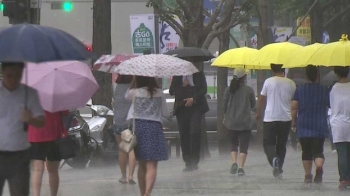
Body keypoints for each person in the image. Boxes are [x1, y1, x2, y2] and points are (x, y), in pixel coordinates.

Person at [0, 62, 45, 196]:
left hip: (19, 156)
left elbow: (41, 122)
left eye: (18, 76)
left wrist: (30, 119)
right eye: (9, 75)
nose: (13, 79)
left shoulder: (29, 94)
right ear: (2, 73)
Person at [125, 76, 169, 196]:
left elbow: (126, 96)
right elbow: (165, 112)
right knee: (152, 164)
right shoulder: (159, 93)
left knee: (142, 164)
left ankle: (142, 193)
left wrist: (133, 82)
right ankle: (148, 193)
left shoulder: (133, 92)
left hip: (138, 128)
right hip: (154, 128)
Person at [256, 64, 296, 179]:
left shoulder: (268, 82)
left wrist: (258, 113)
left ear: (272, 69)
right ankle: (279, 168)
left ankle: (273, 159)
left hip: (270, 118)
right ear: (283, 69)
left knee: (268, 143)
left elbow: (262, 99)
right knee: (281, 145)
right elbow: (294, 102)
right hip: (285, 118)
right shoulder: (291, 83)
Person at [291, 65, 329, 184]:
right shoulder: (324, 89)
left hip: (304, 123)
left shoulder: (300, 89)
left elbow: (294, 107)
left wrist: (293, 122)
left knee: (306, 151)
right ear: (317, 75)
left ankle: (308, 175)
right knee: (318, 150)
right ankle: (319, 165)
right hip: (319, 123)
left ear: (306, 75)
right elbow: (329, 104)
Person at [169, 70, 209, 172]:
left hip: (196, 107)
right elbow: (171, 91)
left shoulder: (198, 74)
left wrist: (193, 98)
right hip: (181, 108)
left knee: (195, 132)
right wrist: (183, 85)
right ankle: (187, 162)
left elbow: (204, 89)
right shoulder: (177, 75)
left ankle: (194, 161)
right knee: (184, 134)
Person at [223, 68, 256, 176]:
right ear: (244, 77)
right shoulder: (249, 90)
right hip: (245, 122)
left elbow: (224, 106)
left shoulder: (228, 90)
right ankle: (241, 167)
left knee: (233, 144)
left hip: (231, 121)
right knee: (244, 146)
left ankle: (234, 162)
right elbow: (253, 105)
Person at [28, 111, 69, 196]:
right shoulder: (57, 97)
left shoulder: (31, 97)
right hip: (54, 134)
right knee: (53, 171)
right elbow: (65, 112)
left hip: (36, 134)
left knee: (37, 170)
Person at [113, 75, 136, 184]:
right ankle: (131, 175)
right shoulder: (133, 89)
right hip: (129, 122)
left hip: (118, 122)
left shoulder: (116, 88)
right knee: (131, 149)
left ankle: (123, 177)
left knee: (122, 150)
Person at [329, 66, 350, 190]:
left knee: (342, 152)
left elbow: (332, 105)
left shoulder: (334, 88)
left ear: (336, 73)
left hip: (338, 124)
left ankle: (343, 179)